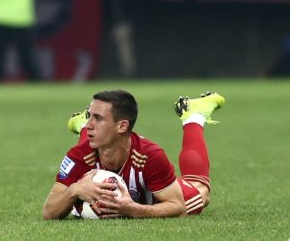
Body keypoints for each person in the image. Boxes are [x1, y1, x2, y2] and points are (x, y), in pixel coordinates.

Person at [43, 90, 225, 219]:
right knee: (95, 142)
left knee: (201, 192)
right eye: (89, 116)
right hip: (99, 146)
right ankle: (81, 123)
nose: (90, 124)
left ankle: (194, 115)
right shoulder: (78, 155)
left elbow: (179, 208)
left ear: (123, 125)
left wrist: (133, 209)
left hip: (152, 201)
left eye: (97, 118)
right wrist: (74, 190)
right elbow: (48, 212)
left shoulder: (150, 156)